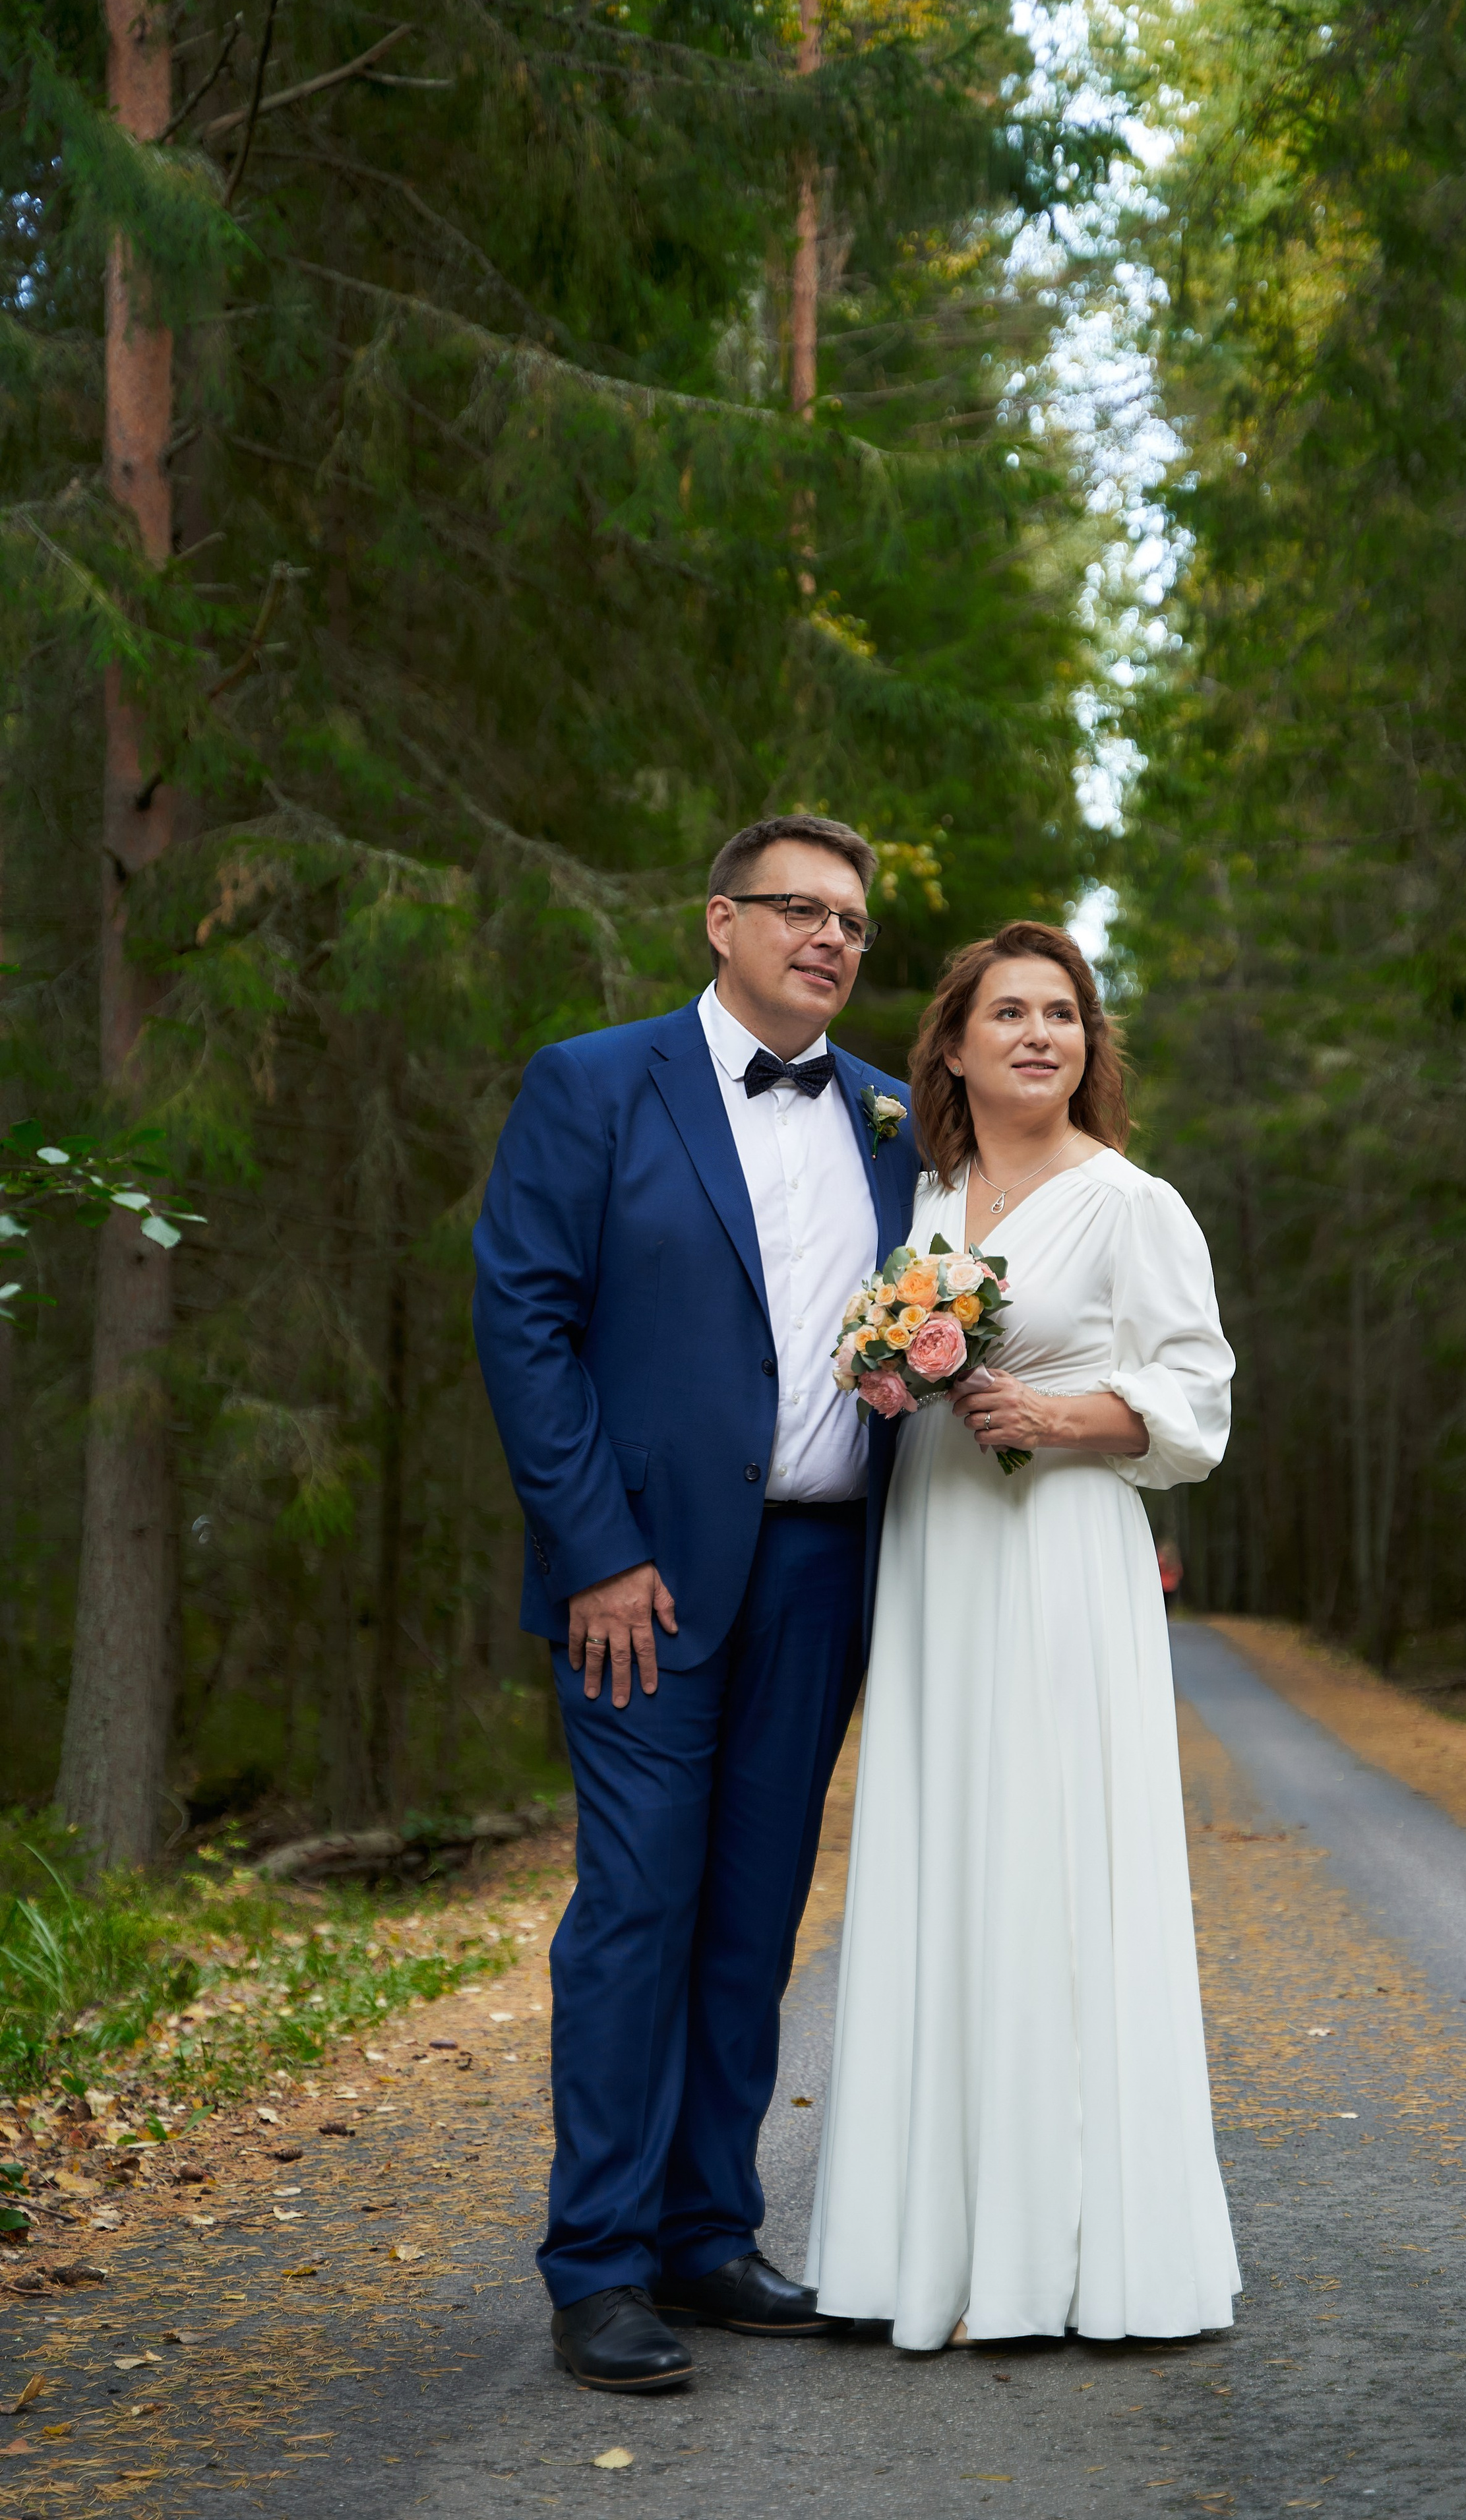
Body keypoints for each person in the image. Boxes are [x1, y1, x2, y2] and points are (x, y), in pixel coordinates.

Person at [472, 815, 921, 2393]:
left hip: (823, 1569)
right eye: (797, 908)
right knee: (638, 1908)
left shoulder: (888, 1118)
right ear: (719, 921)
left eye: (850, 920)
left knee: (750, 1918)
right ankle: (596, 2264)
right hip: (641, 1581)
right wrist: (594, 1548)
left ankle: (704, 2231)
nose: (828, 937)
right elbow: (523, 1319)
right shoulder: (594, 1082)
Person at [806, 921, 1240, 2350]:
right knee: (943, 1859)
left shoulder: (1131, 1204)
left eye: (1063, 1013)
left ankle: (1073, 2260)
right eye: (1009, 1012)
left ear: (1087, 1046)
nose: (1040, 1034)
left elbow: (1195, 1406)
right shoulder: (922, 1194)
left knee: (1051, 1862)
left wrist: (1054, 1417)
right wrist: (885, 1374)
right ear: (951, 1045)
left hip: (1058, 1554)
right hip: (937, 1546)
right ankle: (920, 2254)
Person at [1157, 1535, 1184, 1614]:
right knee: (1168, 1603)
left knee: (1164, 1602)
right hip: (1171, 1585)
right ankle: (1167, 1614)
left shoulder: (1161, 1558)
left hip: (1163, 1584)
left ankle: (1164, 1614)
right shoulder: (1174, 1560)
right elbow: (1180, 1572)